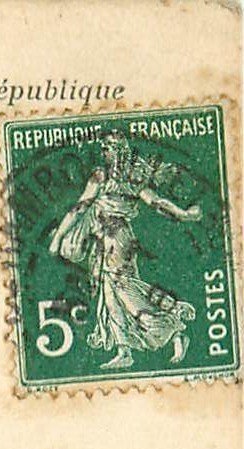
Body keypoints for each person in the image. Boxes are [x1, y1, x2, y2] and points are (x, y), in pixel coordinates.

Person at [49, 131, 202, 370]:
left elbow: (156, 203)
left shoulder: (122, 178)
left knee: (126, 292)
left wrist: (184, 214)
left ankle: (173, 324)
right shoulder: (110, 177)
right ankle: (125, 351)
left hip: (117, 240)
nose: (105, 153)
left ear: (120, 150)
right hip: (105, 241)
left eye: (109, 148)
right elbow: (80, 208)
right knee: (111, 298)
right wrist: (59, 237)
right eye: (104, 149)